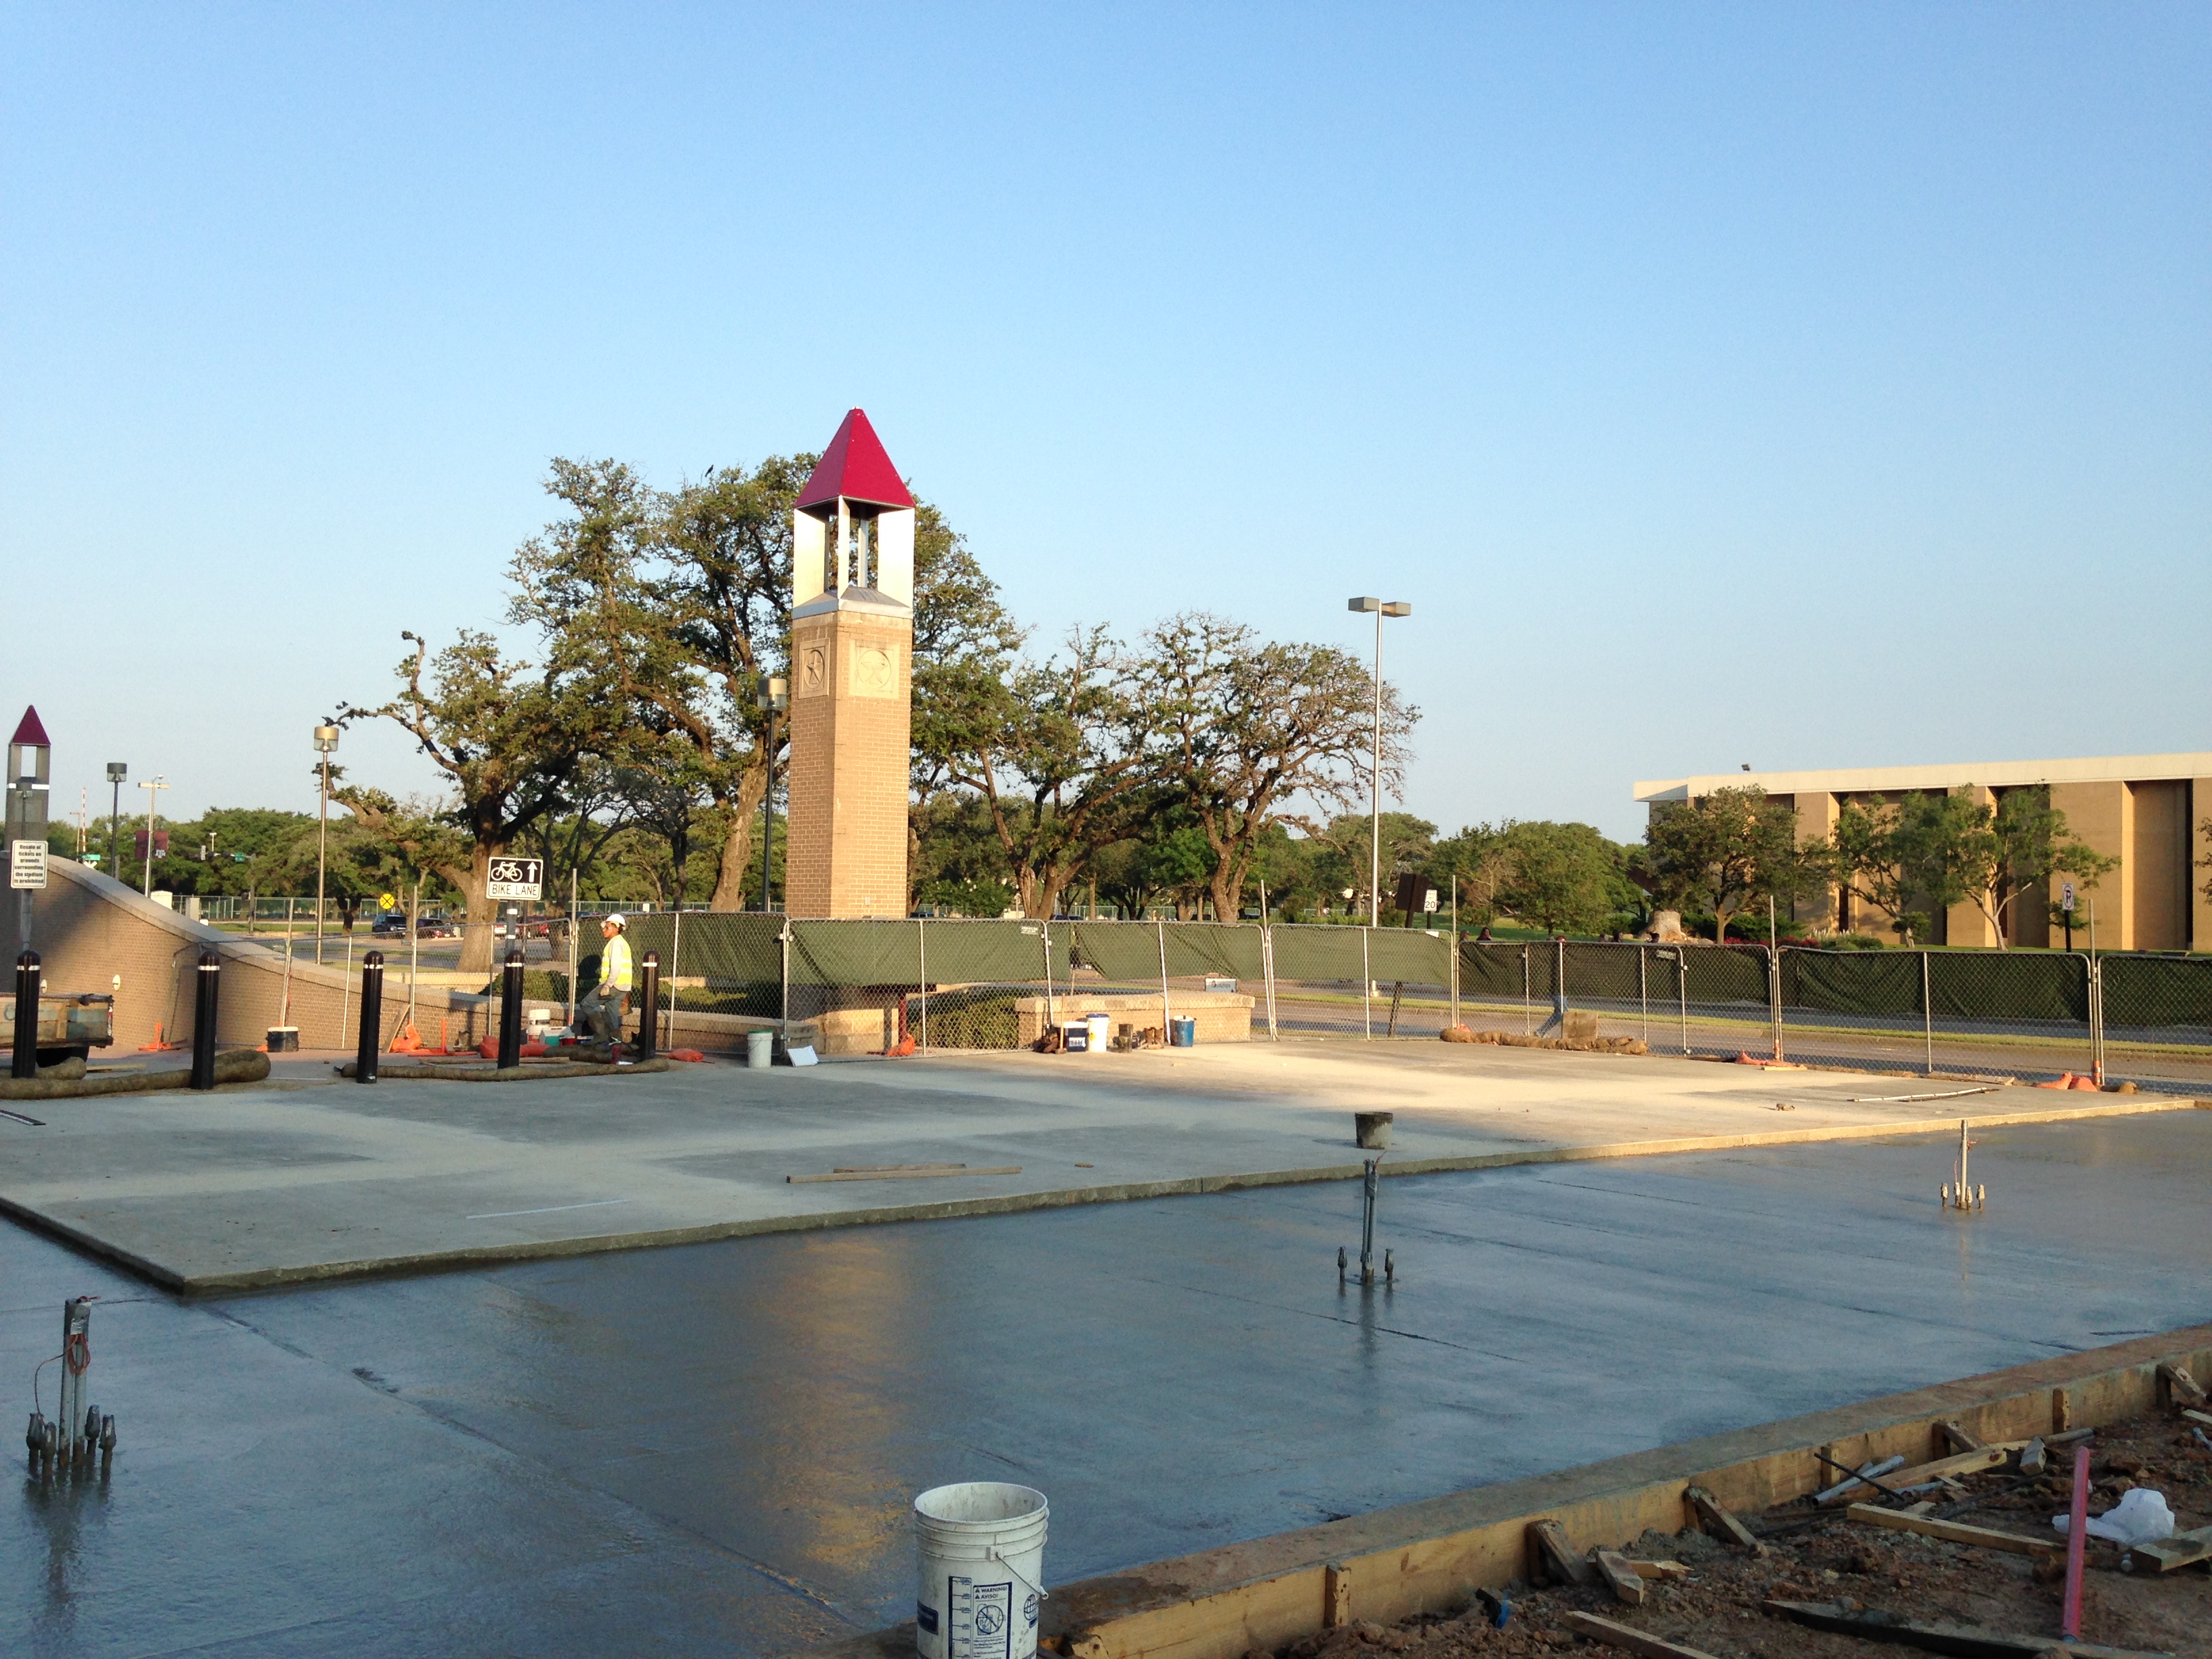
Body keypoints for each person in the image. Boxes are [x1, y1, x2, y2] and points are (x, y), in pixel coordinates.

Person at [579, 914, 634, 1048]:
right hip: (622, 987)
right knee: (612, 1015)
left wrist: (607, 985)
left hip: (613, 985)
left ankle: (600, 1035)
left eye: (607, 927)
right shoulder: (621, 943)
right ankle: (616, 1042)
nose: (604, 930)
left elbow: (615, 967)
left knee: (586, 1004)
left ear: (616, 928)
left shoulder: (616, 943)